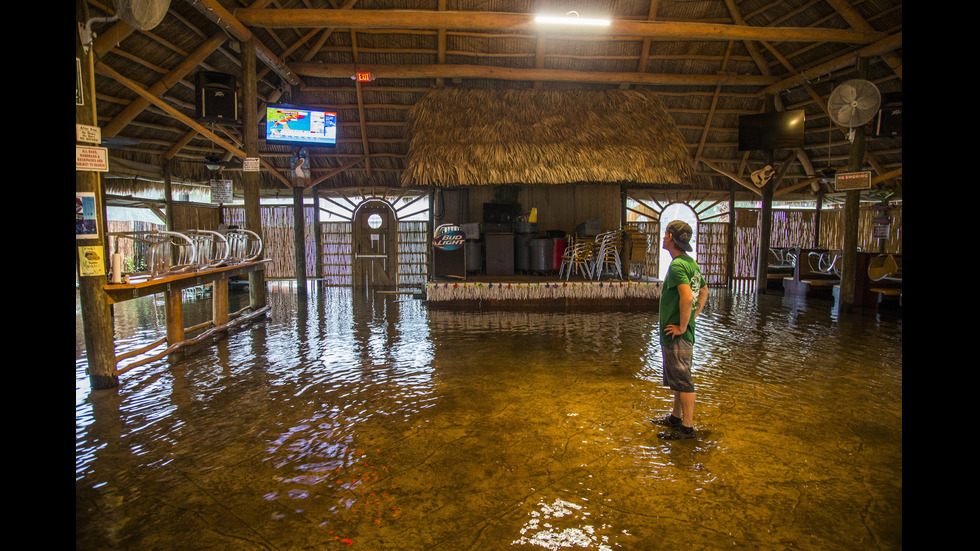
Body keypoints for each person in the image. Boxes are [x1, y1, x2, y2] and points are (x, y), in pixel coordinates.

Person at [654, 220, 709, 440]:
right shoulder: (690, 263)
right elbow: (704, 291)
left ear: (670, 236)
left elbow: (687, 297)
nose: (663, 237)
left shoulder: (677, 265)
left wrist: (682, 326)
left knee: (684, 380)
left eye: (665, 233)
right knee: (678, 377)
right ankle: (676, 417)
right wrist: (694, 316)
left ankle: (687, 428)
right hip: (680, 333)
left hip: (679, 334)